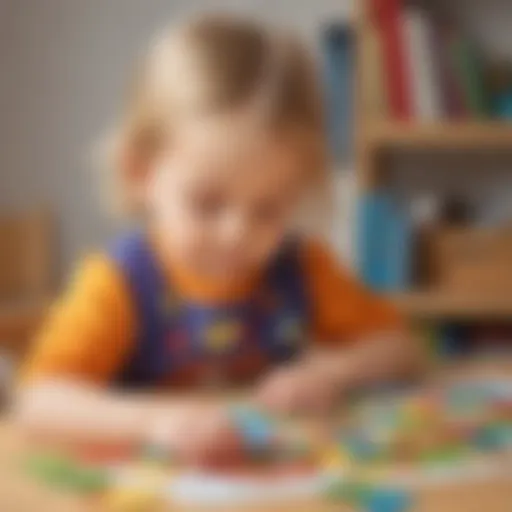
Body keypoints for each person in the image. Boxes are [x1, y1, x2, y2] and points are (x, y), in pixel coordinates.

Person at [15, 14, 419, 467]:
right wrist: (158, 422)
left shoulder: (301, 267)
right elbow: (38, 402)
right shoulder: (119, 282)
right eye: (207, 203)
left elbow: (400, 346)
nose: (238, 234)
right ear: (140, 171)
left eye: (268, 209)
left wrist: (331, 372)